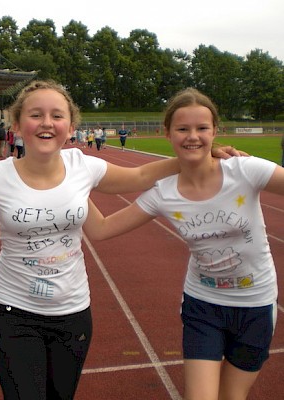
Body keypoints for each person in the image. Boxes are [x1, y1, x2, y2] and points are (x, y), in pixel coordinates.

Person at [0, 81, 242, 400]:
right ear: (18, 125)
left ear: (71, 126)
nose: (47, 123)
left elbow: (139, 178)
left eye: (57, 115)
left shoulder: (82, 166)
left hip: (73, 312)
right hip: (13, 311)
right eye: (36, 115)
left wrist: (197, 154)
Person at [84, 88, 283, 400]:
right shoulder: (164, 193)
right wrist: (71, 184)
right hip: (204, 306)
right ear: (168, 134)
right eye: (183, 128)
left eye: (202, 128)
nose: (193, 136)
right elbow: (101, 229)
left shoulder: (246, 170)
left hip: (255, 305)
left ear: (216, 131)